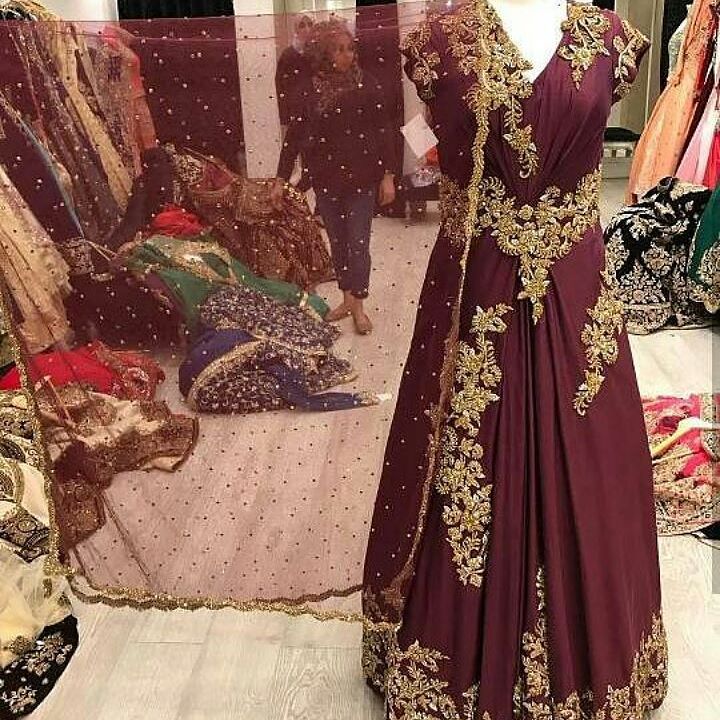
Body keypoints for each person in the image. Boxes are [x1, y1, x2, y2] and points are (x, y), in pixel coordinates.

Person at [361, 2, 668, 718]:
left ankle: (596, 662)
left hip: (577, 293)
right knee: (466, 462)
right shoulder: (438, 39)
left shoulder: (613, 37)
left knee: (590, 459)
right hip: (476, 287)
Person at [270, 20, 397, 335]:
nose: (347, 55)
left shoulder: (366, 84)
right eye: (339, 50)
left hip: (362, 179)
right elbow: (294, 138)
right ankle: (346, 300)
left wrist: (388, 175)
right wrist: (281, 179)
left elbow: (384, 131)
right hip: (326, 180)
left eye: (350, 49)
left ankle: (359, 306)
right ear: (324, 54)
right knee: (338, 244)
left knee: (358, 243)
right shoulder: (309, 91)